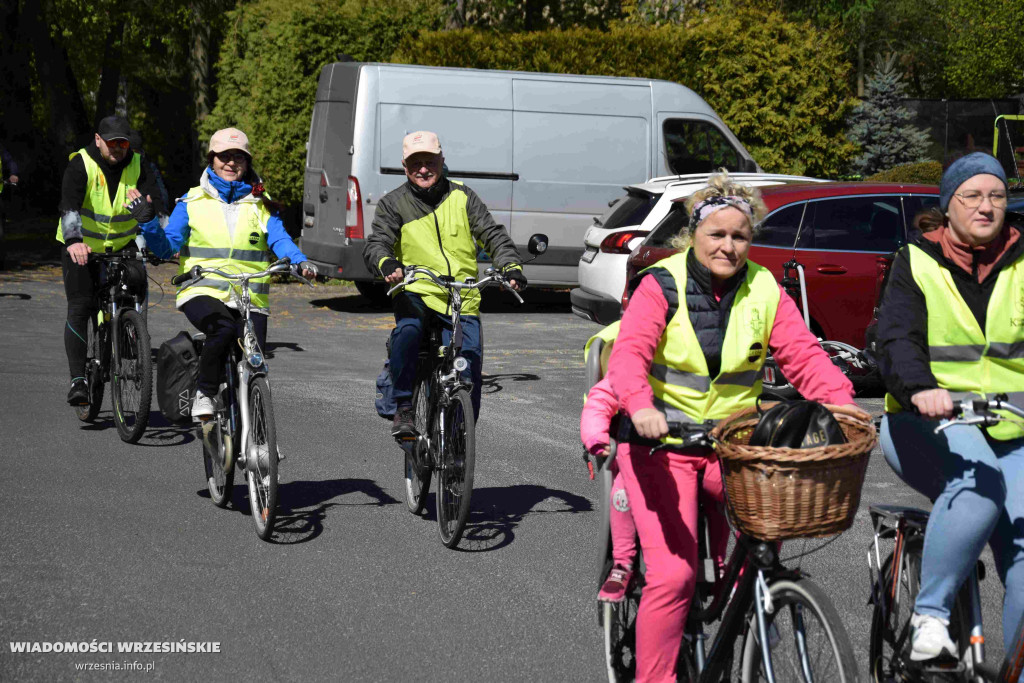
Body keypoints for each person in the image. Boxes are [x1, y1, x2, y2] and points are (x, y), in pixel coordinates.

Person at [606, 170, 861, 682]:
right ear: (692, 235)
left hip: (733, 447)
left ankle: (744, 628)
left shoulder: (763, 287)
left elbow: (804, 357)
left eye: (739, 236)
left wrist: (843, 405)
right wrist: (640, 406)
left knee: (768, 532)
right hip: (661, 445)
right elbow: (629, 357)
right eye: (716, 234)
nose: (728, 245)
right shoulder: (661, 284)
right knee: (675, 577)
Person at [877, 152, 1024, 661]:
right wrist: (920, 388)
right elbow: (896, 338)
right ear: (948, 205)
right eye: (973, 196)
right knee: (980, 488)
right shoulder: (914, 260)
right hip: (930, 420)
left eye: (997, 196)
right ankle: (931, 616)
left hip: (1012, 425)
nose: (987, 207)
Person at [140, 127, 315, 418]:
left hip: (250, 296)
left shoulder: (261, 203)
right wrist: (148, 224)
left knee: (253, 363)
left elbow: (280, 239)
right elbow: (165, 247)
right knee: (222, 329)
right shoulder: (192, 201)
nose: (231, 163)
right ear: (212, 160)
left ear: (247, 163)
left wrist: (299, 261)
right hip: (202, 289)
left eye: (239, 157)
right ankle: (205, 393)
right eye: (224, 156)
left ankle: (252, 437)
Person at [362, 131, 525, 437]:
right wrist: (387, 263)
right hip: (416, 291)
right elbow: (377, 243)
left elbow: (492, 234)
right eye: (415, 163)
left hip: (461, 297)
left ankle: (458, 446)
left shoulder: (463, 197)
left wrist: (509, 265)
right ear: (405, 166)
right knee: (408, 331)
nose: (423, 169)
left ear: (442, 160)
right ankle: (404, 407)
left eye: (429, 161)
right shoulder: (394, 203)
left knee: (469, 369)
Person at [57, 115, 161, 406]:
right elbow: (68, 204)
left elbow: (154, 201)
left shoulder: (138, 164)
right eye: (112, 142)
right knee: (81, 305)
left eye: (123, 143)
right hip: (82, 246)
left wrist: (147, 213)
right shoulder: (81, 163)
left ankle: (128, 334)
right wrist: (74, 241)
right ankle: (78, 380)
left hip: (121, 244)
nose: (117, 148)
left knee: (136, 283)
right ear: (98, 139)